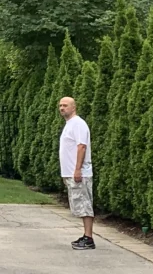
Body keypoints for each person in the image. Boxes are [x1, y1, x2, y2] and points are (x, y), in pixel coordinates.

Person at [58, 96, 95, 250]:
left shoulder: (78, 124)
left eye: (65, 105)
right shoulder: (69, 124)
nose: (62, 108)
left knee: (85, 204)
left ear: (73, 107)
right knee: (79, 204)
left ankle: (89, 238)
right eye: (60, 105)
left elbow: (82, 146)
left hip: (80, 173)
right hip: (71, 173)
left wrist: (78, 169)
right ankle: (85, 235)